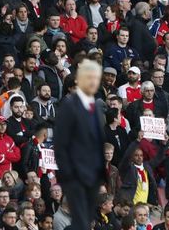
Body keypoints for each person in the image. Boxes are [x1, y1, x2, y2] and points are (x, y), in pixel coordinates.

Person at [54, 59, 105, 230]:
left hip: (92, 175)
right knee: (81, 222)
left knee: (87, 220)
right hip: (75, 175)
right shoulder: (69, 105)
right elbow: (60, 144)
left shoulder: (96, 106)